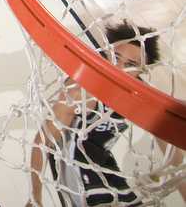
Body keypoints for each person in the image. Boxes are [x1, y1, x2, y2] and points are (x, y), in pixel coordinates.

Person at [26, 21, 186, 206]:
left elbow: (173, 159)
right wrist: (34, 195)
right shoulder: (81, 90)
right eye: (115, 57)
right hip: (73, 166)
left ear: (143, 70)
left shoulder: (142, 98)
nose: (119, 68)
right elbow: (42, 141)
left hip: (105, 165)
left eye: (131, 65)